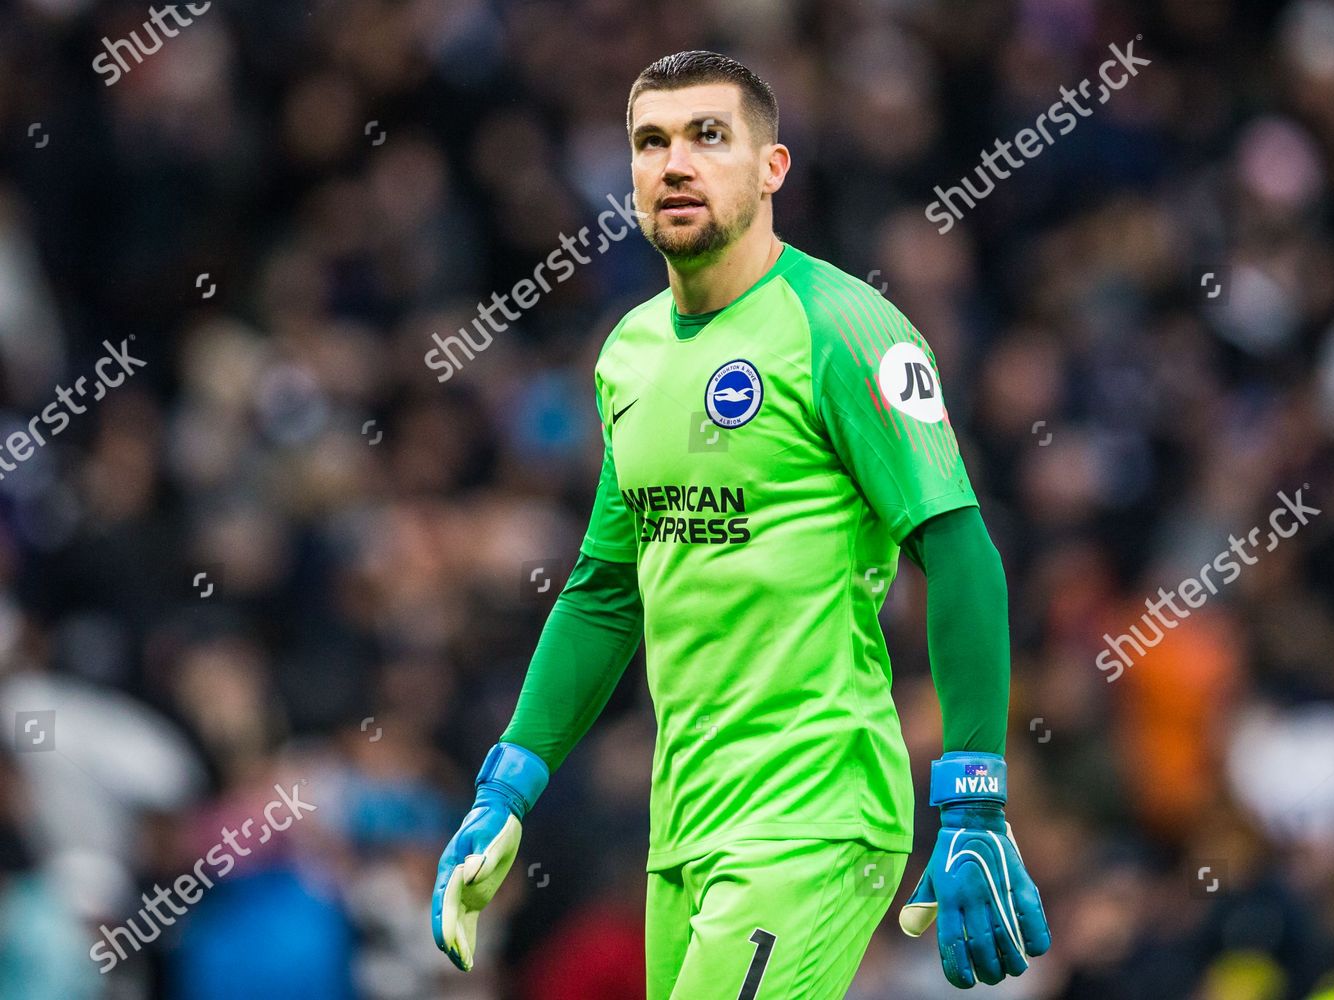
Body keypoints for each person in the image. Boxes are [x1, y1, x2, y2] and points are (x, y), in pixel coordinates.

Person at [431, 49, 1051, 998]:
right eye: (651, 142)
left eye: (708, 137)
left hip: (813, 812)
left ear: (773, 169)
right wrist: (507, 785)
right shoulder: (628, 355)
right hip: (681, 825)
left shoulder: (846, 328)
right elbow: (604, 590)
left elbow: (960, 549)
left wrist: (973, 799)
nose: (675, 163)